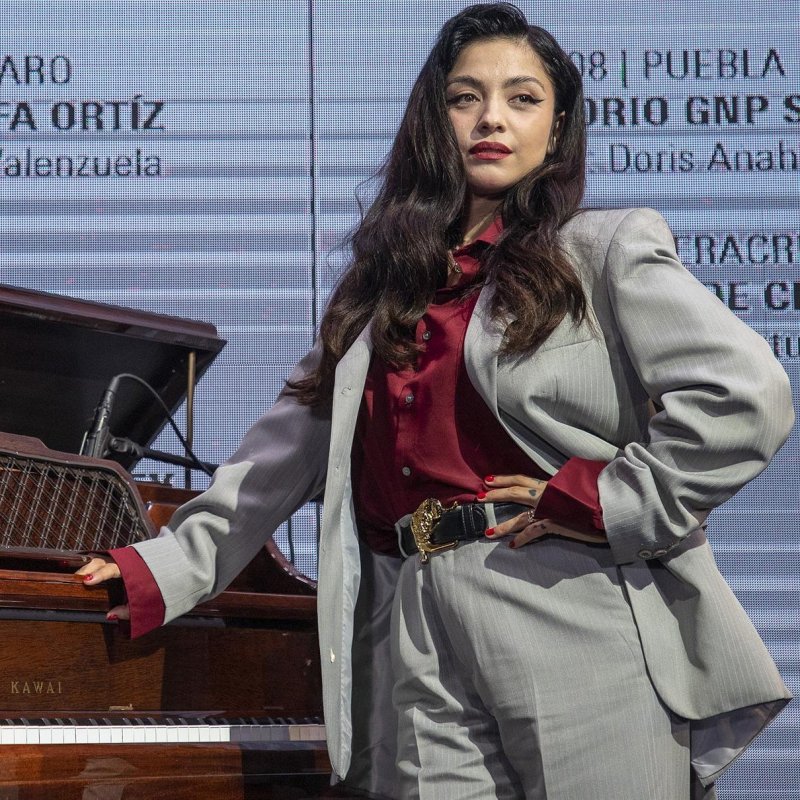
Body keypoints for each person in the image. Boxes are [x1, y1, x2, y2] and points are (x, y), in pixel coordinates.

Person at [79, 4, 794, 799]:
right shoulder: (379, 289)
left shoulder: (602, 250)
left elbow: (747, 396)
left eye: (523, 98)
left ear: (557, 129)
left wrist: (609, 498)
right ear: (434, 117)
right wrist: (159, 567)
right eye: (465, 97)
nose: (492, 117)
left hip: (571, 600)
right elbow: (274, 461)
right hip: (410, 617)